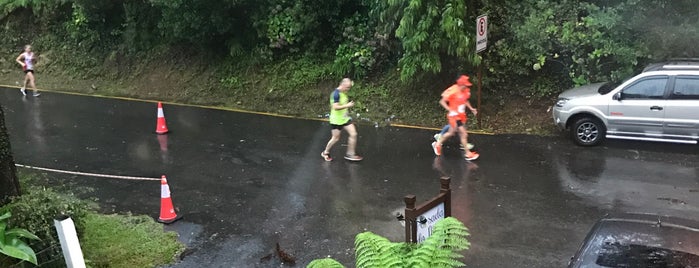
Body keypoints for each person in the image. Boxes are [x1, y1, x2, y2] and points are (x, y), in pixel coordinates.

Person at [431, 75, 479, 160]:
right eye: (465, 85)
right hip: (454, 116)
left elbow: (465, 100)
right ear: (461, 84)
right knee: (463, 133)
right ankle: (468, 153)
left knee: (451, 133)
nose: (467, 86)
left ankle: (437, 144)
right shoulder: (453, 90)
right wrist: (450, 109)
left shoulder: (466, 90)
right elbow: (442, 101)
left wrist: (471, 109)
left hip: (461, 115)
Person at [321, 78, 363, 162]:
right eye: (347, 87)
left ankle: (350, 154)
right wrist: (347, 105)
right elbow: (335, 107)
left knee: (354, 134)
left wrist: (347, 112)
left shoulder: (343, 93)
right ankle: (325, 152)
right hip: (336, 120)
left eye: (349, 87)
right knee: (335, 138)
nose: (348, 89)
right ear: (342, 85)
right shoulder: (335, 94)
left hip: (345, 119)